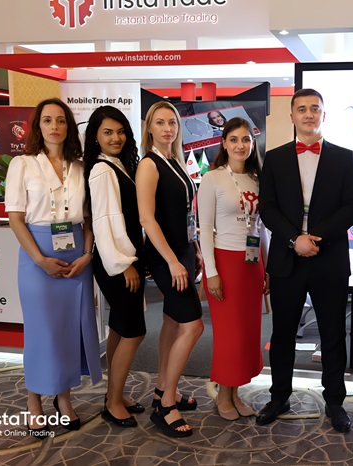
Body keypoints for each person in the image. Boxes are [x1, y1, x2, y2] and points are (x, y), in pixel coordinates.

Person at [257, 88, 353, 433]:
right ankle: (279, 396)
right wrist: (294, 239)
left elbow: (352, 207)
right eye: (301, 109)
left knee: (333, 334)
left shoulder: (344, 157)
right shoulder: (274, 158)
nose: (308, 114)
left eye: (314, 108)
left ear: (323, 115)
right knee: (283, 333)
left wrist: (314, 237)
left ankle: (335, 401)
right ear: (291, 116)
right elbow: (267, 208)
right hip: (287, 258)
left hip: (328, 257)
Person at [5, 97, 102, 436]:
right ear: (38, 126)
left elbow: (87, 218)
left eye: (60, 120)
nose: (54, 126)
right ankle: (34, 401)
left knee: (69, 330)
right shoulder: (22, 164)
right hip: (38, 256)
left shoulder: (80, 166)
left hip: (76, 255)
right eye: (47, 120)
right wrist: (39, 259)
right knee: (41, 331)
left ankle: (64, 397)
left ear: (68, 126)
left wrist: (87, 254)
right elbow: (16, 219)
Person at [136, 101, 204, 438]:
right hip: (166, 257)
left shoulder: (174, 160)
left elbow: (185, 213)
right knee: (194, 326)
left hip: (183, 251)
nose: (167, 128)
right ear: (149, 127)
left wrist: (195, 249)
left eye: (172, 123)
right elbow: (147, 219)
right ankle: (165, 407)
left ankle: (163, 389)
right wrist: (173, 261)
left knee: (173, 321)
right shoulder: (149, 165)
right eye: (160, 122)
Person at [197, 117, 268, 421]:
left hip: (252, 264)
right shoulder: (212, 179)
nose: (241, 145)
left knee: (247, 334)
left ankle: (235, 392)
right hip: (224, 263)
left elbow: (261, 227)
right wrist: (211, 272)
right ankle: (223, 395)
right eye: (234, 139)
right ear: (224, 143)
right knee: (230, 335)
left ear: (252, 144)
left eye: (246, 140)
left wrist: (266, 267)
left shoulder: (256, 178)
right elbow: (205, 229)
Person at [84, 105, 145, 428]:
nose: (116, 138)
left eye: (120, 131)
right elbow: (105, 222)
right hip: (117, 262)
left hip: (122, 259)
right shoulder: (102, 170)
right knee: (134, 331)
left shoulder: (117, 164)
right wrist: (124, 264)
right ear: (95, 136)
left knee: (120, 328)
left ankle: (115, 393)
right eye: (108, 132)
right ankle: (112, 402)